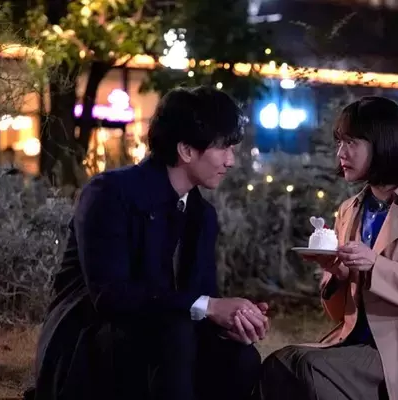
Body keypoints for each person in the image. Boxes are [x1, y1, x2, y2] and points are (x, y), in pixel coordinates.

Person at [25, 86, 269, 400]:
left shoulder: (201, 214)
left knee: (239, 358)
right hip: (91, 342)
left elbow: (198, 299)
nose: (230, 160)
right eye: (223, 148)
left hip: (165, 344)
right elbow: (110, 296)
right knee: (173, 332)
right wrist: (208, 307)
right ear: (186, 150)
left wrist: (230, 322)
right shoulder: (109, 194)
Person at [258, 96, 398, 400]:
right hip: (355, 344)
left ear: (382, 143)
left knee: (302, 368)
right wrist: (338, 275)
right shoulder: (349, 210)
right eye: (339, 143)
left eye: (351, 142)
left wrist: (376, 266)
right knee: (279, 366)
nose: (341, 153)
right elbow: (340, 315)